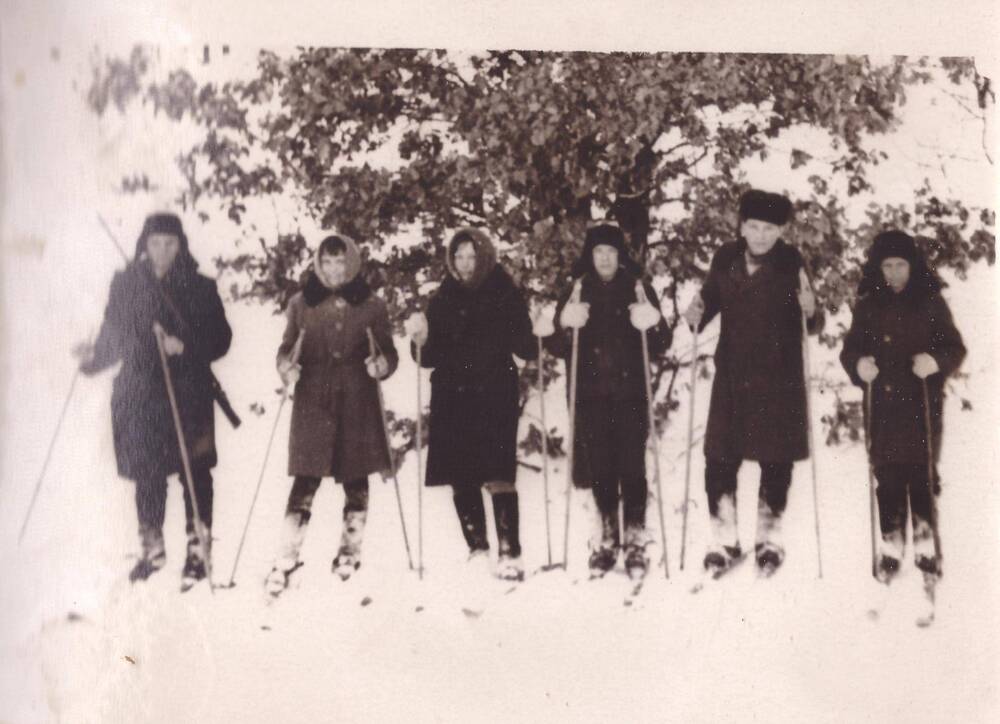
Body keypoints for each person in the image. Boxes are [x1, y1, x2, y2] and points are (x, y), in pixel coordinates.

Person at [74, 212, 232, 590]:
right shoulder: (127, 284)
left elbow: (222, 339)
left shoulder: (199, 286)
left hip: (187, 389)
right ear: (144, 244)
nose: (162, 251)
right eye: (156, 243)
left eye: (170, 244)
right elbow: (113, 337)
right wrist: (91, 360)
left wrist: (186, 345)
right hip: (141, 391)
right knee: (148, 470)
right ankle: (152, 546)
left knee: (195, 470)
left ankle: (199, 550)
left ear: (181, 246)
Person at [683, 189, 822, 576]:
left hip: (779, 376)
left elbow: (813, 321)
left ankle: (769, 539)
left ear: (781, 230)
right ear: (742, 226)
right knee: (719, 457)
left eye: (770, 228)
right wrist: (695, 313)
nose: (761, 235)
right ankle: (724, 540)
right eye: (754, 227)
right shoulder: (726, 258)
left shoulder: (791, 261)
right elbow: (706, 303)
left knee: (776, 460)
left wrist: (811, 312)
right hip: (733, 373)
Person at [264, 234, 398, 596]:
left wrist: (381, 365)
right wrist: (285, 366)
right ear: (318, 264)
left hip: (356, 402)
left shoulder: (371, 305)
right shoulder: (302, 302)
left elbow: (388, 351)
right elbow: (287, 347)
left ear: (352, 263)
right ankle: (286, 557)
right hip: (313, 403)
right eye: (328, 262)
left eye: (341, 262)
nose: (335, 270)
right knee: (305, 480)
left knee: (356, 479)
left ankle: (349, 553)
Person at [406, 227, 539, 581]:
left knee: (498, 473)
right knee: (461, 476)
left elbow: (526, 347)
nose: (465, 264)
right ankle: (478, 546)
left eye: (472, 256)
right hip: (453, 395)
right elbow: (429, 357)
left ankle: (510, 552)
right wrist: (419, 339)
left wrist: (537, 331)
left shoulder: (504, 292)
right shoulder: (443, 298)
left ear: (484, 256)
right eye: (459, 257)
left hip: (494, 392)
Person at [839, 230, 965, 595]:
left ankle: (926, 545)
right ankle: (891, 545)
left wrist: (934, 361)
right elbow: (851, 351)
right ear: (877, 268)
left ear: (913, 266)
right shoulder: (867, 305)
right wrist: (859, 365)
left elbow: (954, 348)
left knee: (922, 472)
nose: (894, 273)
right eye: (887, 266)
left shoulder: (930, 302)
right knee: (887, 473)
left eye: (900, 265)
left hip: (921, 402)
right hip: (881, 405)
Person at [549, 223, 671, 579]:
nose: (605, 258)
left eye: (611, 252)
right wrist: (564, 324)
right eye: (599, 251)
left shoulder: (637, 288)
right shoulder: (575, 290)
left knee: (633, 467)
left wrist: (652, 322)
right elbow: (557, 346)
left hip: (630, 393)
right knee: (600, 467)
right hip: (590, 396)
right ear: (590, 255)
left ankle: (634, 538)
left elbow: (661, 342)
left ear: (621, 256)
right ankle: (605, 538)